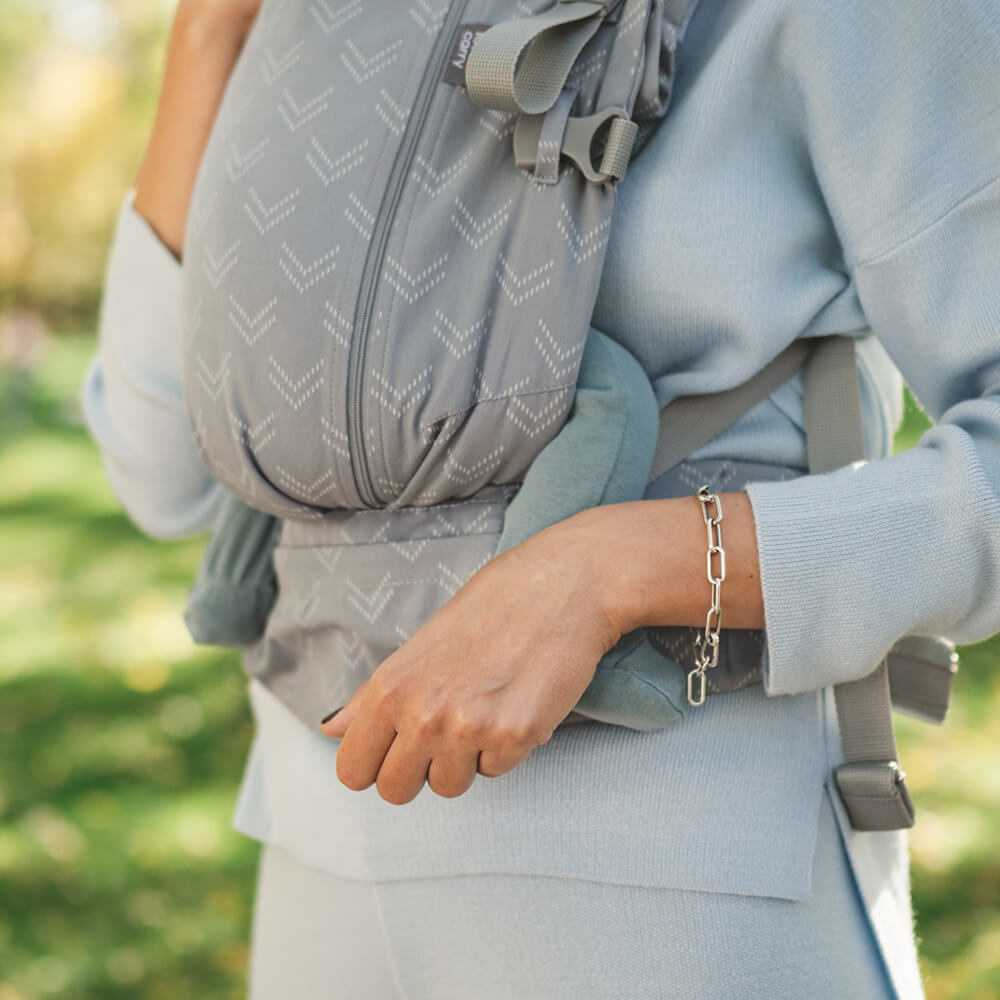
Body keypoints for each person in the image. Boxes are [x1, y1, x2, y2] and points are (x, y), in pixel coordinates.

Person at [81, 0, 1000, 997]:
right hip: (317, 849)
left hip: (680, 873)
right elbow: (160, 470)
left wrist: (612, 572)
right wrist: (209, 35)